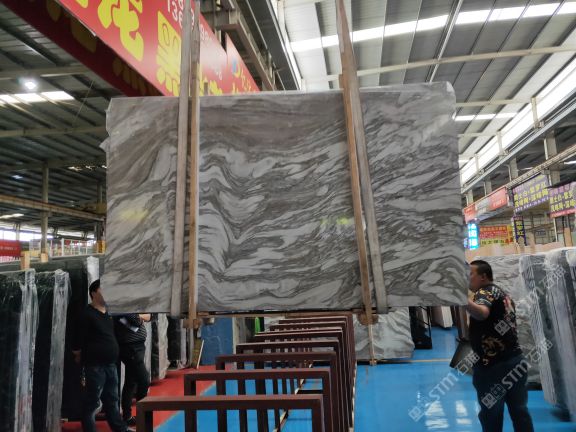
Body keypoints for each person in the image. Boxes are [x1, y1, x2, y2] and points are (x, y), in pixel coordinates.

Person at [466, 260, 534, 432]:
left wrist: (460, 299)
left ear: (483, 277)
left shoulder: (485, 292)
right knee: (520, 411)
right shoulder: (503, 294)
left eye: (470, 274)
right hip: (515, 361)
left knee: (491, 415)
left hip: (493, 367)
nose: (467, 278)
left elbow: (482, 313)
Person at [72, 280, 133, 432]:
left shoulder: (108, 314)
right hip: (95, 366)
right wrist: (78, 356)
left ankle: (120, 428)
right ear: (93, 293)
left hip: (111, 364)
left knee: (112, 400)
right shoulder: (86, 314)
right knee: (92, 402)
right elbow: (77, 339)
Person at [115, 313, 151, 425]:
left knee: (131, 381)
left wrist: (141, 316)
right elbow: (136, 321)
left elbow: (150, 316)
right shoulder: (123, 305)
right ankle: (142, 415)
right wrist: (142, 316)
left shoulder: (133, 305)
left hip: (137, 345)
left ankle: (127, 417)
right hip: (130, 347)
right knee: (144, 380)